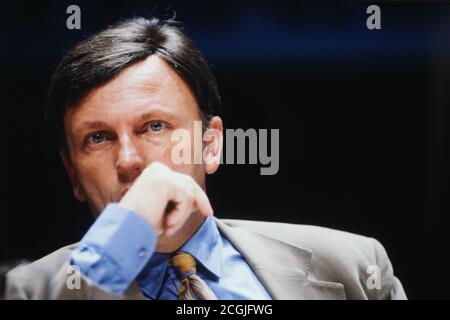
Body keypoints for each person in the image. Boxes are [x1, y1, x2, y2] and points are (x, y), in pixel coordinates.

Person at [5, 17, 406, 300]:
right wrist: (122, 240)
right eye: (98, 137)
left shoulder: (352, 267)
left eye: (155, 127)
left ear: (211, 145)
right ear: (72, 173)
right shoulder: (31, 290)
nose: (127, 160)